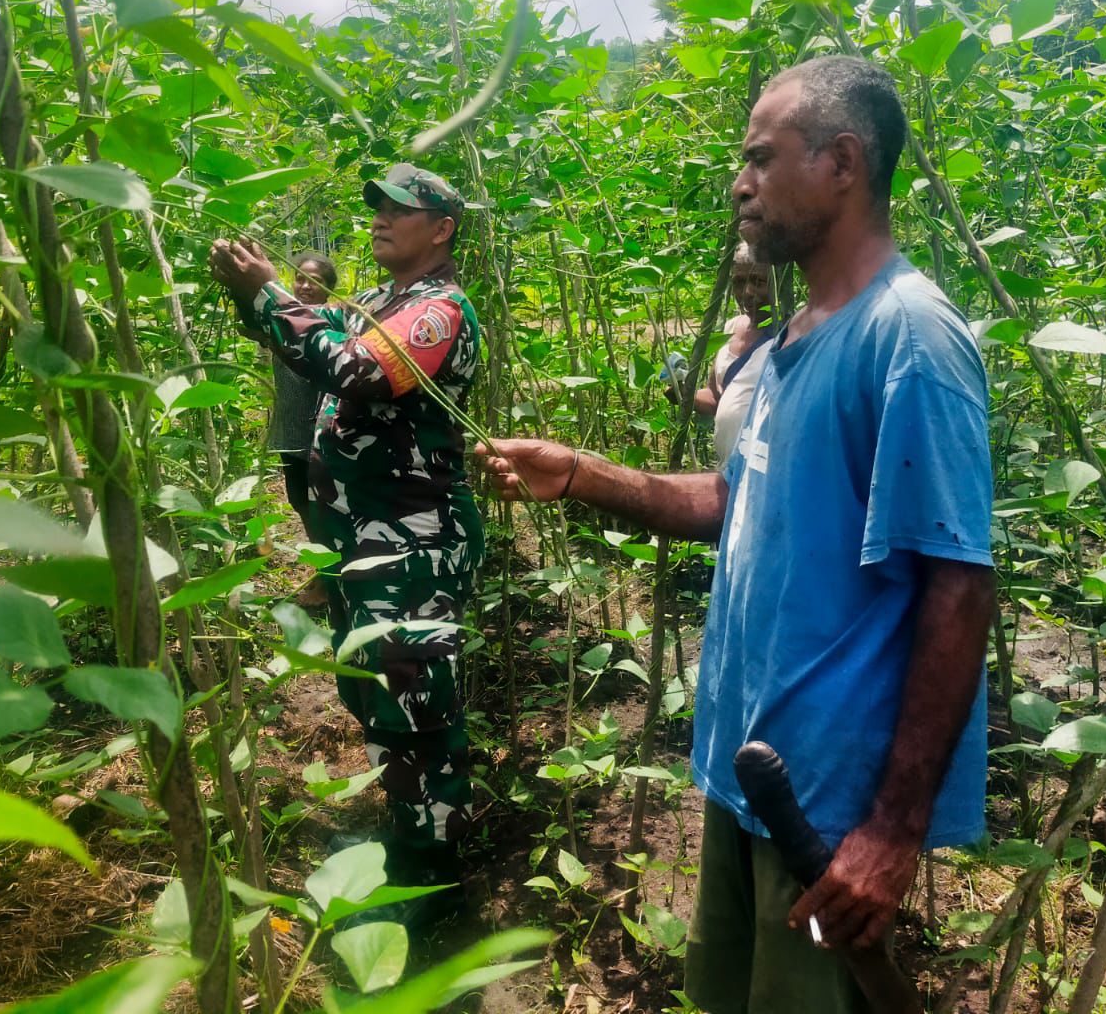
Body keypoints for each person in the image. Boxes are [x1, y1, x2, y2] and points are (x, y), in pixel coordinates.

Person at [479, 57, 996, 1013]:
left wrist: (891, 830)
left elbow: (958, 586)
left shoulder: (910, 337)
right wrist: (581, 475)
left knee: (803, 993)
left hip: (826, 807)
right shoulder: (798, 334)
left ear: (842, 162)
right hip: (750, 768)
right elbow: (734, 499)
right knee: (738, 993)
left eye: (760, 158)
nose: (739, 181)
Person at [210, 163, 483, 914]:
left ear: (443, 227)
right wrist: (253, 298)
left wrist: (267, 293)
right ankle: (402, 840)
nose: (380, 217)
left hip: (412, 545)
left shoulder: (439, 309)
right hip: (363, 544)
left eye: (400, 208)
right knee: (374, 699)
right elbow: (314, 345)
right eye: (377, 207)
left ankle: (432, 886)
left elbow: (358, 369)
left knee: (416, 710)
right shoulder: (381, 303)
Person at [265, 251, 337, 544]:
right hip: (290, 428)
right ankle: (325, 572)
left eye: (315, 281)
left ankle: (330, 577)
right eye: (300, 279)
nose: (305, 286)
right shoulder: (281, 320)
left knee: (324, 505)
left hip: (322, 432)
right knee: (298, 500)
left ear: (328, 288)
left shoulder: (332, 323)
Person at [691, 243, 776, 468]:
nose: (747, 292)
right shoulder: (728, 329)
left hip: (764, 471)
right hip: (728, 471)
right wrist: (682, 389)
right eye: (739, 282)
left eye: (759, 282)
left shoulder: (791, 335)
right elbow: (716, 396)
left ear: (778, 280)